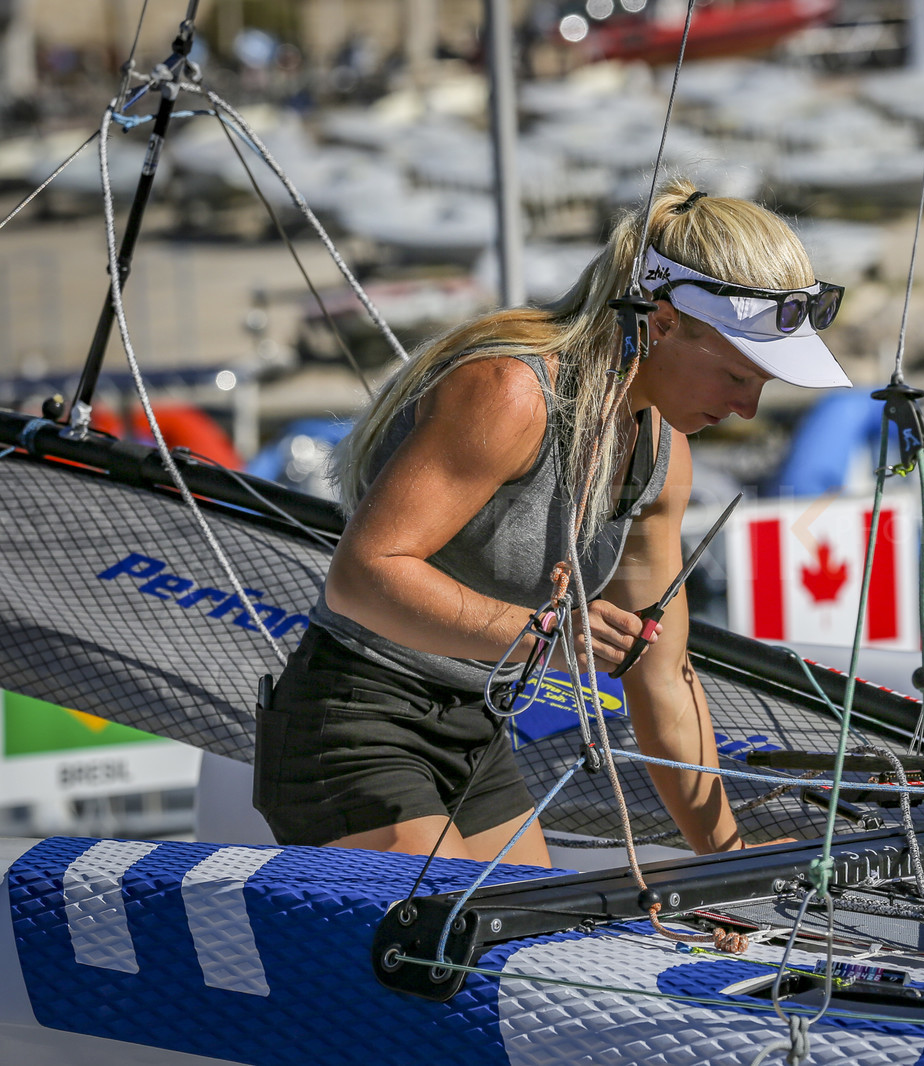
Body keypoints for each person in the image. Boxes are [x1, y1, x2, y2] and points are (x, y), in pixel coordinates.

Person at [253, 181, 849, 866]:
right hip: (354, 719)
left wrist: (729, 854)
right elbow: (361, 577)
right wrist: (540, 633)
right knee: (456, 940)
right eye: (739, 376)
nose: (747, 410)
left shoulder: (664, 455)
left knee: (519, 949)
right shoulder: (510, 393)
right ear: (660, 322)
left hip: (476, 725)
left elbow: (660, 675)